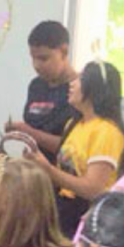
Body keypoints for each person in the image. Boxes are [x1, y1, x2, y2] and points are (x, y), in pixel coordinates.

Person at [30, 59, 124, 238]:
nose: (72, 83)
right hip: (63, 209)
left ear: (95, 87)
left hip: (86, 216)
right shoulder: (75, 123)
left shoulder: (106, 131)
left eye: (80, 79)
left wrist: (48, 169)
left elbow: (93, 189)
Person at [7, 21, 76, 164]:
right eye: (33, 58)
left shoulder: (78, 91)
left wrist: (28, 132)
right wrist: (17, 131)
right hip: (34, 172)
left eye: (43, 58)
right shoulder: (36, 86)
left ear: (64, 52)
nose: (36, 65)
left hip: (61, 176)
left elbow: (72, 148)